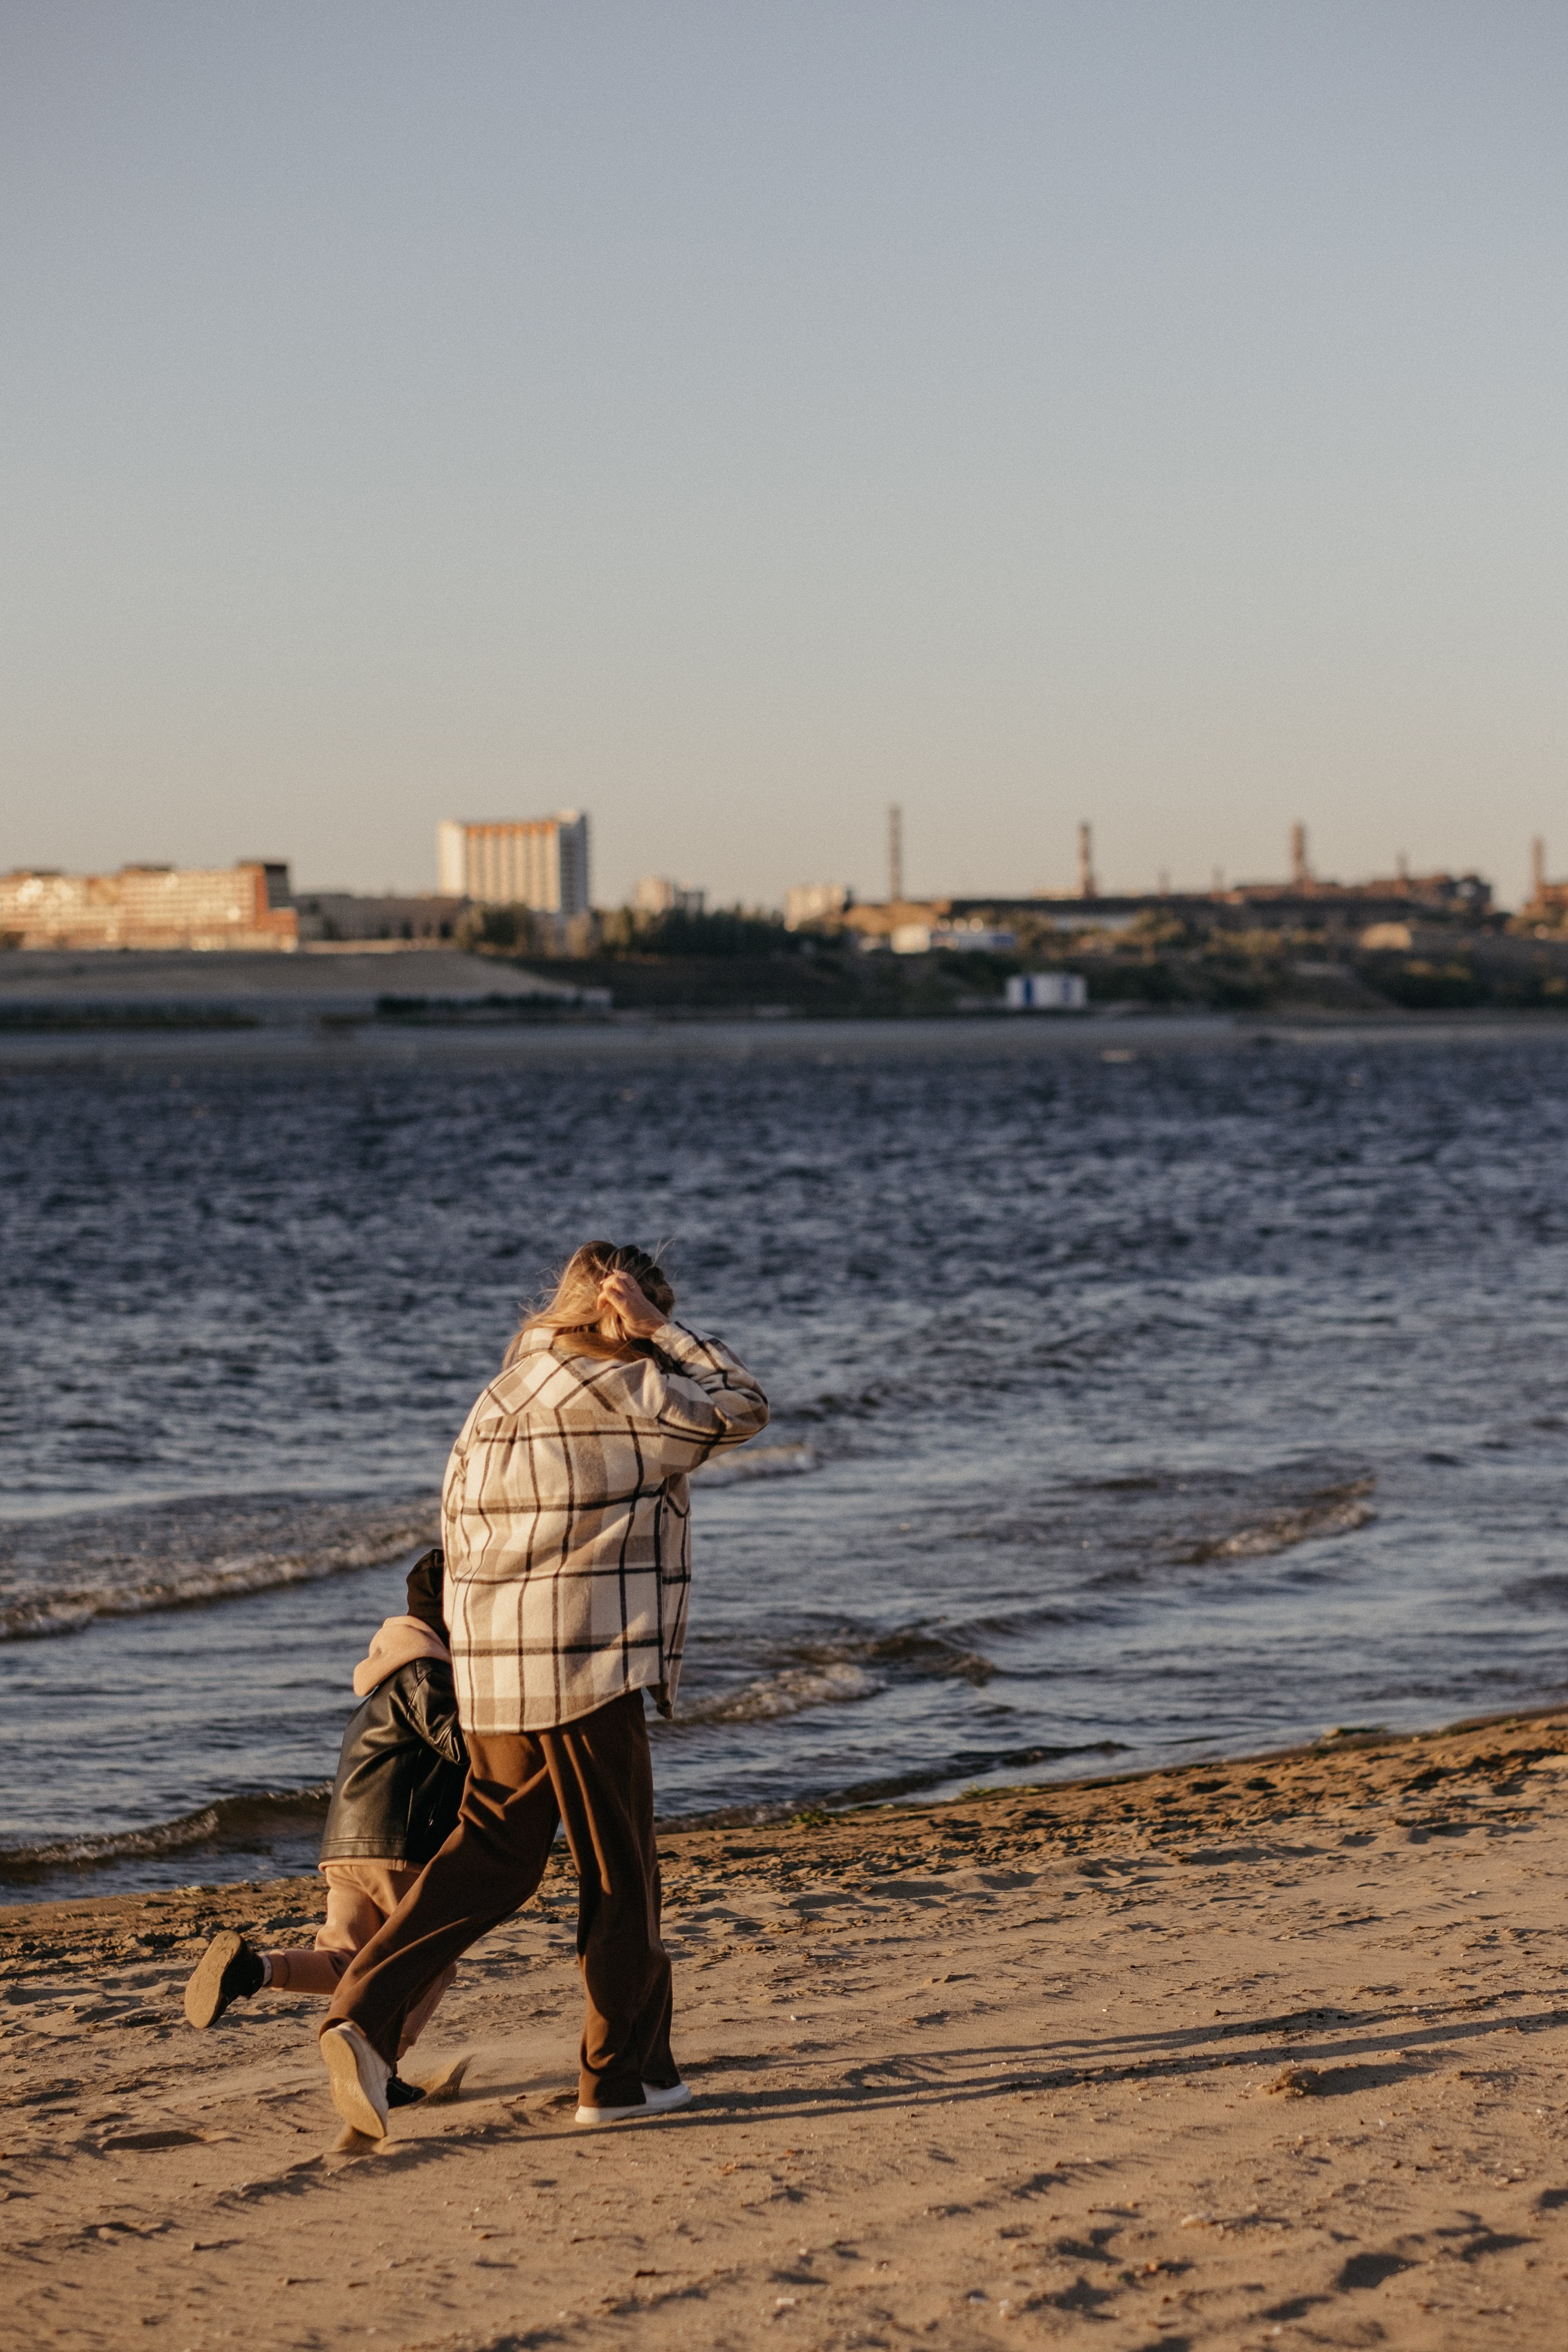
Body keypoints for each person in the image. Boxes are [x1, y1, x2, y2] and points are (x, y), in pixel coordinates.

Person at [315, 1241, 768, 2140]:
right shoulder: (626, 1388)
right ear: (613, 1312)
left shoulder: (498, 1396)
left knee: (493, 1853)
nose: (649, 1349)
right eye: (641, 1324)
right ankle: (614, 2081)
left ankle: (361, 2020)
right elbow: (743, 1408)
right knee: (620, 1871)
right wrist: (663, 1332)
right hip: (587, 1658)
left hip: (488, 1663)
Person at [184, 1549, 468, 2103]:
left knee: (350, 1960)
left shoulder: (387, 1675)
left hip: (347, 1844)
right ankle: (376, 2064)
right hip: (399, 1843)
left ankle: (253, 1971)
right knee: (428, 1960)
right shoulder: (424, 1671)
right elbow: (458, 1741)